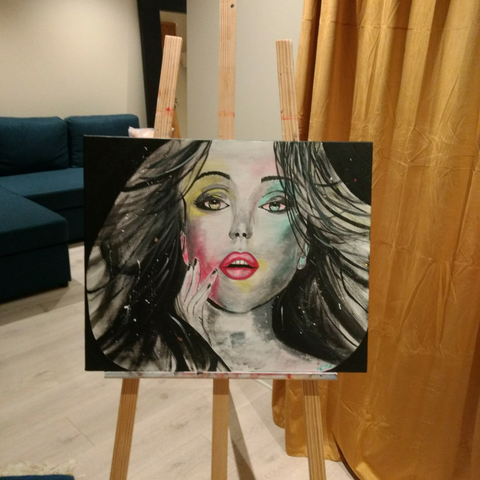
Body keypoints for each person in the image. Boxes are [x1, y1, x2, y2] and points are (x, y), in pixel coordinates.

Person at [86, 139, 370, 373]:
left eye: (275, 204)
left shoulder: (319, 368)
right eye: (214, 201)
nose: (241, 229)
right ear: (183, 239)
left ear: (305, 245)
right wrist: (191, 341)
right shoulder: (136, 359)